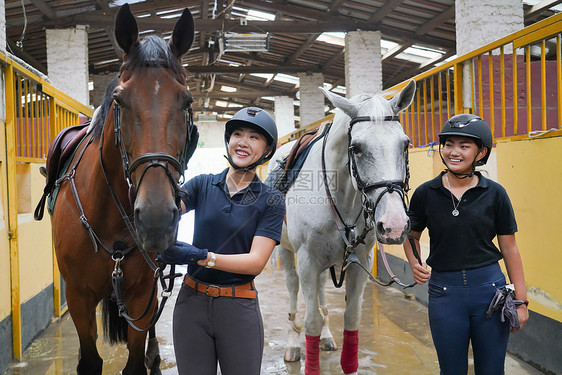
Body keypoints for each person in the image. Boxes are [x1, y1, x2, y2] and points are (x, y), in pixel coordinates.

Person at [159, 107, 285, 375]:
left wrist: (200, 256)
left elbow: (255, 262)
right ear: (228, 141)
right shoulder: (202, 185)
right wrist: (167, 162)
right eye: (237, 134)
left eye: (254, 137)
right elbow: (165, 211)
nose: (242, 142)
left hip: (238, 307)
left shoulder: (271, 200)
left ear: (267, 151)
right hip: (191, 304)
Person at [402, 114, 529, 374]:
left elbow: (510, 248)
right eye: (449, 144)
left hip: (490, 294)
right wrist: (414, 263)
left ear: (481, 152)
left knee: (492, 370)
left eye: (464, 145)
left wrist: (521, 301)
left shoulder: (495, 194)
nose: (454, 152)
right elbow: (411, 236)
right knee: (451, 370)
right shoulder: (425, 193)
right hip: (444, 294)